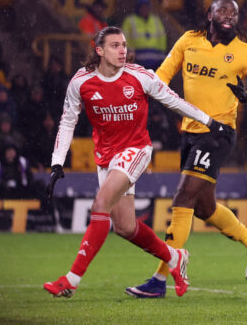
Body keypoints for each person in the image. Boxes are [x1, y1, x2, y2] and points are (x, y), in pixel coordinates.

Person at [43, 26, 225, 298]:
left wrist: (209, 121)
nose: (122, 50)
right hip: (105, 156)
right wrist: (57, 161)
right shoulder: (80, 82)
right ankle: (175, 258)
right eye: (115, 45)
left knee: (100, 204)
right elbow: (68, 120)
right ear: (99, 50)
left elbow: (174, 101)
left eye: (124, 45)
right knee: (125, 227)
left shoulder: (140, 76)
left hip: (136, 149)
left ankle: (70, 280)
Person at [126, 0, 247, 298]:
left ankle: (160, 278)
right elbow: (163, 76)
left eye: (234, 14)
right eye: (223, 11)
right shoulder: (188, 40)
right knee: (205, 208)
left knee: (183, 196)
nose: (229, 17)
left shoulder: (245, 52)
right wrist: (139, 93)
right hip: (190, 132)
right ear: (209, 14)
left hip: (219, 133)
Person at [122, 0, 167, 70]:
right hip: (137, 56)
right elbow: (124, 37)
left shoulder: (155, 20)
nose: (144, 9)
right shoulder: (130, 20)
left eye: (146, 7)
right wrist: (129, 51)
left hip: (155, 56)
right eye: (142, 7)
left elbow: (162, 37)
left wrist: (162, 52)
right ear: (138, 8)